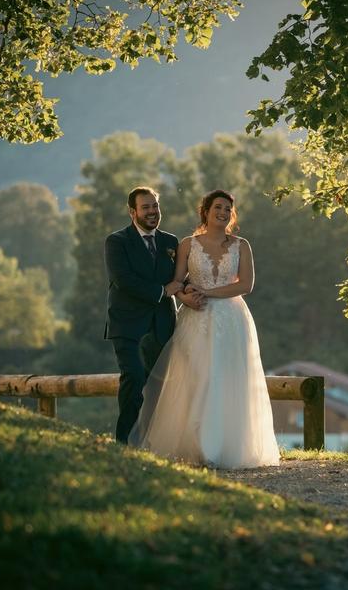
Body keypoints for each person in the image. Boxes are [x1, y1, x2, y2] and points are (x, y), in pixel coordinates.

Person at [129, 189, 280, 468]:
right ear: (206, 212)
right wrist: (185, 296)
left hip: (231, 320)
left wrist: (209, 293)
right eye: (217, 208)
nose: (222, 213)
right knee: (196, 379)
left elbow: (245, 285)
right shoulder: (188, 244)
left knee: (226, 379)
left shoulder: (241, 245)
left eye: (227, 209)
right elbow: (177, 282)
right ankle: (197, 447)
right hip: (195, 318)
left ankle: (221, 447)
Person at [103, 186, 204, 443]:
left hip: (161, 324)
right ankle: (124, 442)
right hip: (126, 323)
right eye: (146, 207)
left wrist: (191, 288)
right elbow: (123, 280)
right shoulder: (117, 241)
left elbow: (179, 277)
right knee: (134, 378)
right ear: (132, 211)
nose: (152, 212)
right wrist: (162, 291)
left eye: (155, 206)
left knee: (158, 385)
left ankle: (151, 441)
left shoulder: (171, 242)